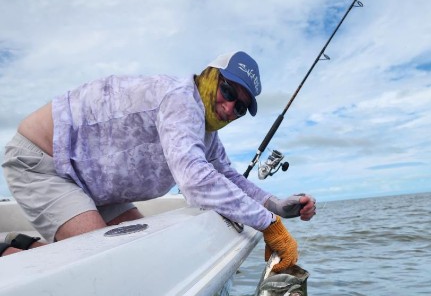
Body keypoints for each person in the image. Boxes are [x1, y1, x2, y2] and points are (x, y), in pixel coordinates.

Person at [1, 51, 316, 268]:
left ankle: (29, 245)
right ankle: (12, 251)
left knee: (142, 250)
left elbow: (228, 176)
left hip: (90, 182)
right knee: (105, 263)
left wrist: (275, 206)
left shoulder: (206, 133)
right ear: (210, 77)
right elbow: (195, 181)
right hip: (44, 164)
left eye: (241, 107)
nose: (230, 108)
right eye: (229, 92)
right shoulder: (181, 99)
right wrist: (269, 225)